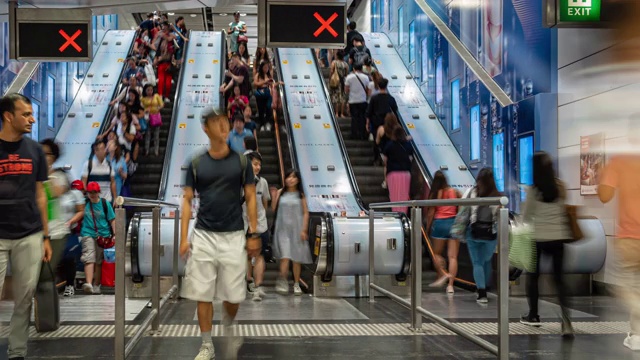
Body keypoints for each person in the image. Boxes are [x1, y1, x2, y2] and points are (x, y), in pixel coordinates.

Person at [179, 111, 260, 360]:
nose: (223, 126)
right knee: (202, 293)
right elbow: (187, 200)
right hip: (204, 234)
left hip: (234, 234)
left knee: (233, 296)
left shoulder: (241, 162)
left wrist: (253, 232)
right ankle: (207, 345)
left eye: (225, 122)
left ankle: (228, 321)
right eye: (217, 123)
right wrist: (184, 237)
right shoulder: (196, 162)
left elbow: (250, 197)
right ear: (206, 128)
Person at [0, 93, 52, 360]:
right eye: (26, 114)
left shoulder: (34, 150)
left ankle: (17, 352)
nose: (32, 119)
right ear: (9, 116)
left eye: (32, 114)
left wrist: (45, 236)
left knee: (24, 297)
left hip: (29, 233)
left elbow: (40, 194)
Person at [519, 152, 574, 337]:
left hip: (538, 239)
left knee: (533, 277)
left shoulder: (534, 191)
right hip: (559, 238)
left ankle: (533, 315)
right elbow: (564, 209)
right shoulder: (561, 187)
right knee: (559, 280)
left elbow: (526, 217)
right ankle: (566, 322)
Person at [598, 117, 640, 351]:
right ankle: (635, 334)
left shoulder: (619, 161)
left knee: (625, 286)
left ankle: (637, 333)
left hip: (630, 236)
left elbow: (604, 195)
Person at [451, 168, 501, 304]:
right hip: (491, 234)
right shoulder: (497, 195)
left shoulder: (472, 192)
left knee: (477, 263)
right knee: (486, 261)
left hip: (473, 232)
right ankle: (485, 286)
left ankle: (481, 292)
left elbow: (462, 208)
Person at [272, 170, 312, 296]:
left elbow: (306, 213)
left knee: (296, 259)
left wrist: (304, 229)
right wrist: (274, 197)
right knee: (285, 257)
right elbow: (274, 209)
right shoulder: (280, 193)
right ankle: (282, 281)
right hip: (282, 230)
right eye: (288, 177)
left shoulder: (301, 195)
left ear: (298, 180)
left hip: (297, 230)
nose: (290, 179)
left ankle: (296, 284)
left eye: (293, 177)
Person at [426, 170, 460, 294]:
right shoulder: (454, 192)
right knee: (453, 257)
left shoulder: (435, 194)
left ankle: (443, 273)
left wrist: (428, 227)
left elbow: (430, 214)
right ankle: (450, 286)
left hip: (440, 224)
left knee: (436, 254)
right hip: (453, 224)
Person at [243, 152, 271, 301]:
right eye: (255, 164)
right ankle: (249, 281)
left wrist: (261, 217)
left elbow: (265, 201)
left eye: (259, 164)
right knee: (247, 256)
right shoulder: (238, 182)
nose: (258, 167)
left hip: (260, 225)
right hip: (243, 225)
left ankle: (258, 286)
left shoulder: (263, 182)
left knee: (260, 256)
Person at [79, 182, 116, 294]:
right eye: (90, 192)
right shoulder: (85, 203)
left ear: (98, 192)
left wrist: (115, 234)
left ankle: (96, 284)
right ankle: (89, 283)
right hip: (88, 233)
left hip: (103, 235)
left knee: (99, 261)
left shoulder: (105, 204)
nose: (92, 195)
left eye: (94, 192)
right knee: (89, 257)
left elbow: (112, 219)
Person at [61, 180, 86, 297]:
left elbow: (81, 211)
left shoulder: (75, 195)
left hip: (70, 231)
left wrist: (71, 221)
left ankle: (69, 285)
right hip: (54, 230)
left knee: (69, 258)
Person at [382, 126, 413, 214]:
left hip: (393, 173)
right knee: (404, 196)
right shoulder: (408, 145)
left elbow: (385, 160)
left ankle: (396, 215)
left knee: (394, 197)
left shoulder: (389, 145)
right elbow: (410, 159)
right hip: (405, 174)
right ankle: (403, 215)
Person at [367, 78, 398, 160]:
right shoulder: (391, 98)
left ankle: (376, 158)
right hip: (388, 124)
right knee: (388, 140)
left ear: (378, 85)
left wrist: (367, 123)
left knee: (376, 141)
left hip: (376, 122)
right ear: (386, 86)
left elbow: (369, 112)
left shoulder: (374, 98)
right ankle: (387, 157)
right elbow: (395, 111)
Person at [344, 63, 370, 140]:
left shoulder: (349, 77)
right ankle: (362, 135)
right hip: (362, 100)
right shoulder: (366, 77)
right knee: (362, 118)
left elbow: (346, 90)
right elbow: (367, 90)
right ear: (361, 69)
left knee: (354, 118)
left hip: (353, 101)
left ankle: (354, 135)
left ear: (354, 69)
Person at [141, 84, 164, 156]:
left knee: (156, 134)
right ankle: (146, 150)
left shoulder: (156, 96)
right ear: (145, 90)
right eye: (148, 90)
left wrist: (158, 109)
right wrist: (145, 110)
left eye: (151, 90)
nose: (150, 91)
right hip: (148, 117)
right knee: (148, 134)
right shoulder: (142, 98)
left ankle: (156, 150)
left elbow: (162, 104)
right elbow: (141, 107)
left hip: (156, 117)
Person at [253, 61, 275, 131]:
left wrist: (276, 83)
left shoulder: (268, 76)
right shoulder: (258, 75)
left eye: (267, 67)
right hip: (260, 92)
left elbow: (272, 84)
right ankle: (262, 124)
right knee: (261, 109)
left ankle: (267, 123)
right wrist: (265, 82)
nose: (266, 69)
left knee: (268, 107)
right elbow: (255, 83)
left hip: (267, 92)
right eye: (265, 67)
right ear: (262, 67)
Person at [329, 50, 349, 118]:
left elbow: (331, 71)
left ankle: (337, 113)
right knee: (342, 98)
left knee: (336, 97)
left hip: (336, 82)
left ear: (337, 56)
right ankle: (342, 113)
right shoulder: (345, 64)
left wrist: (330, 79)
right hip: (342, 82)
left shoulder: (334, 62)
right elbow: (346, 74)